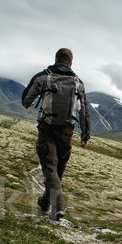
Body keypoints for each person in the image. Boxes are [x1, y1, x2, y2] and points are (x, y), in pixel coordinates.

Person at [22, 48, 91, 221]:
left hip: (47, 128)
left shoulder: (43, 77)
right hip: (67, 132)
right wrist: (85, 134)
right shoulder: (78, 83)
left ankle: (59, 206)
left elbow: (26, 100)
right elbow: (84, 110)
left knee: (50, 169)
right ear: (71, 63)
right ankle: (45, 203)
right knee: (57, 171)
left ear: (55, 59)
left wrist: (32, 101)